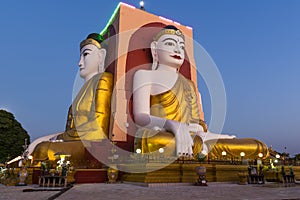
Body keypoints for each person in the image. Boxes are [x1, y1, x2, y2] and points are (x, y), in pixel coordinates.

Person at [133, 25, 268, 159]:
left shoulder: (189, 84)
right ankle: (199, 148)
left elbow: (198, 123)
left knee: (256, 146)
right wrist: (172, 124)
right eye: (170, 43)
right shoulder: (145, 75)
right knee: (150, 141)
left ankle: (200, 147)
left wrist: (205, 132)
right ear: (155, 48)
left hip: (194, 136)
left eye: (181, 46)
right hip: (164, 133)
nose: (177, 49)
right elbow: (140, 117)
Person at [28, 33, 113, 165]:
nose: (80, 63)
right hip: (74, 140)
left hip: (90, 145)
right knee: (40, 146)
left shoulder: (103, 80)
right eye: (80, 56)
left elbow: (98, 128)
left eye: (86, 55)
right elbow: (71, 130)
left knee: (43, 149)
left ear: (101, 56)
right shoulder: (82, 90)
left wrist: (58, 138)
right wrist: (48, 137)